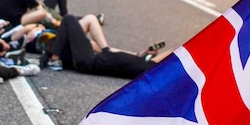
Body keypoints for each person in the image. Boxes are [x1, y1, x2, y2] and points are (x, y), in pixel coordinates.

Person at [40, 14, 169, 79]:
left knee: (70, 19)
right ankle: (53, 57)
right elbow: (116, 54)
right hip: (91, 58)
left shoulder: (149, 68)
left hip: (89, 61)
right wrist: (141, 54)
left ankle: (54, 58)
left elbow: (173, 54)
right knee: (77, 22)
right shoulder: (144, 65)